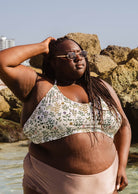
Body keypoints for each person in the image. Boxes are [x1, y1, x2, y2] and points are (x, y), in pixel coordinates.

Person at [0, 36, 131, 194]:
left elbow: (124, 127)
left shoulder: (101, 87)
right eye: (70, 55)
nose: (78, 58)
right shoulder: (38, 85)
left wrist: (122, 167)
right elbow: (3, 62)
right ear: (53, 61)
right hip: (51, 183)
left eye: (81, 53)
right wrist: (42, 47)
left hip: (107, 183)